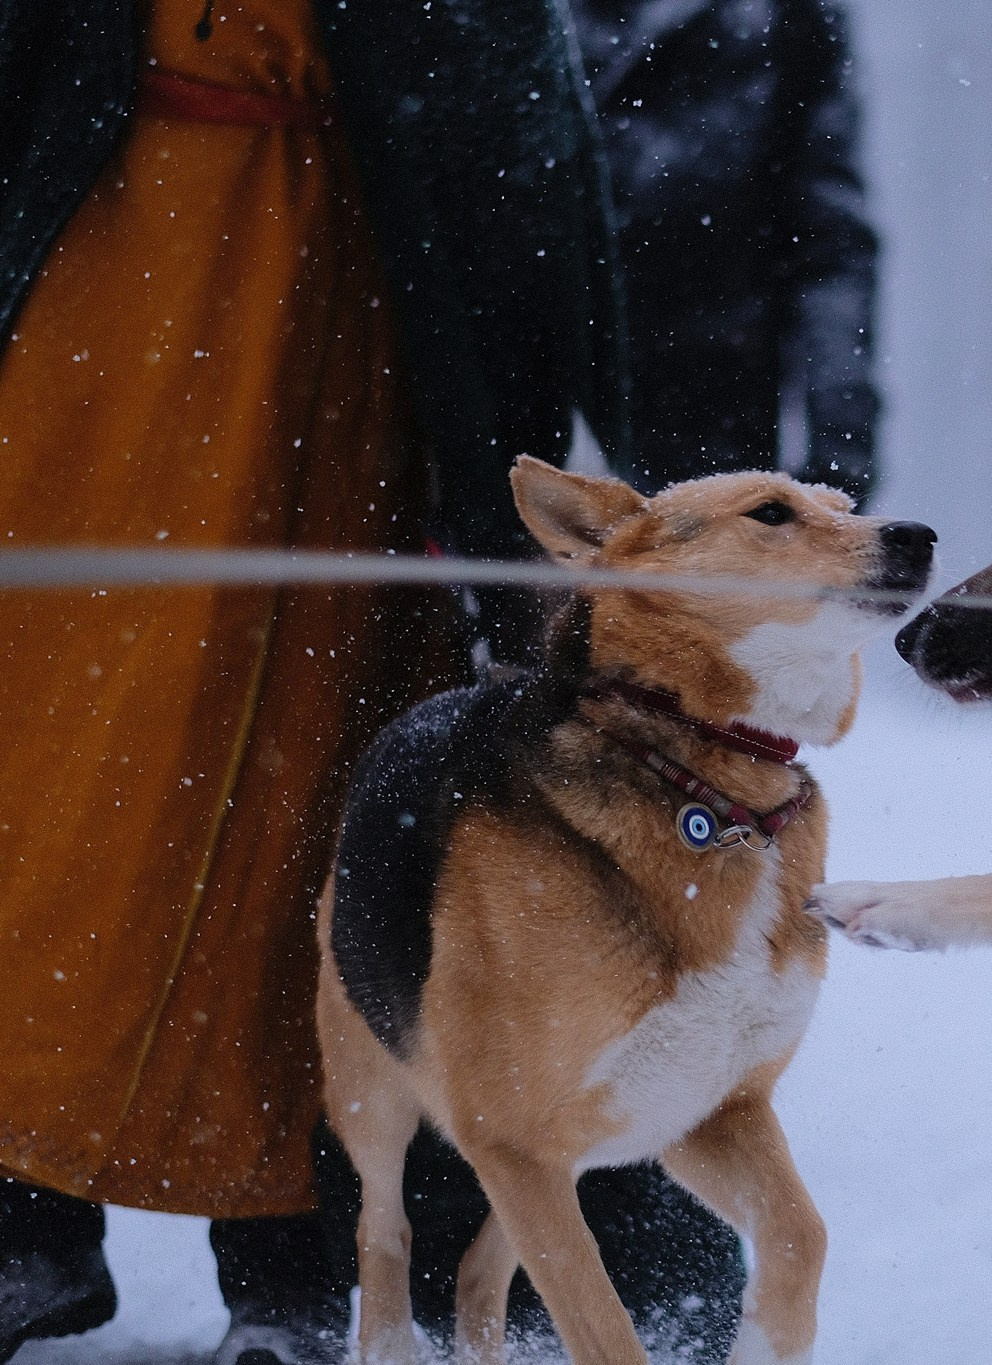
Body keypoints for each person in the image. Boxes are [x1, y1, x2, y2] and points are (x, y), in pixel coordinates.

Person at [0, 4, 739, 1362]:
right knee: (43, 765)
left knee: (303, 796)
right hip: (89, 296)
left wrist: (517, 424)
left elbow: (505, 118)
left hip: (336, 321)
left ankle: (291, 1269)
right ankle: (24, 1221)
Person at [571, 0, 883, 505]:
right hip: (530, 404)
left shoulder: (791, 18)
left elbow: (829, 243)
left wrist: (841, 444)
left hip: (709, 420)